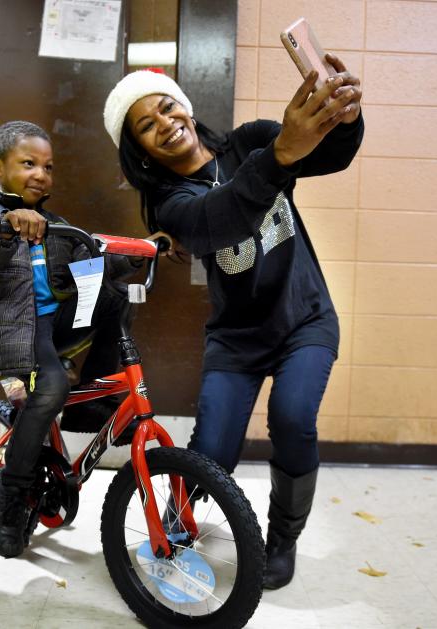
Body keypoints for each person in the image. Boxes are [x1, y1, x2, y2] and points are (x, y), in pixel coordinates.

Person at [103, 61, 363, 589]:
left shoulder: (252, 143)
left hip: (304, 319)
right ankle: (174, 524)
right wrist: (281, 156)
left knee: (292, 419)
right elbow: (217, 220)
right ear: (142, 151)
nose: (165, 123)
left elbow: (332, 154)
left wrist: (347, 117)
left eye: (167, 106)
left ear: (186, 106)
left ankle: (282, 540)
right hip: (237, 339)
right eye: (147, 126)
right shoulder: (170, 204)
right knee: (214, 448)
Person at [0, 121, 139, 558]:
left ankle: (97, 404)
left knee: (115, 296)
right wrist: (5, 226)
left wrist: (136, 255)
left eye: (47, 167)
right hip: (12, 330)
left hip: (54, 327)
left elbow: (90, 264)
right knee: (50, 385)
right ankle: (11, 495)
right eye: (28, 163)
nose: (40, 175)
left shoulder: (56, 226)